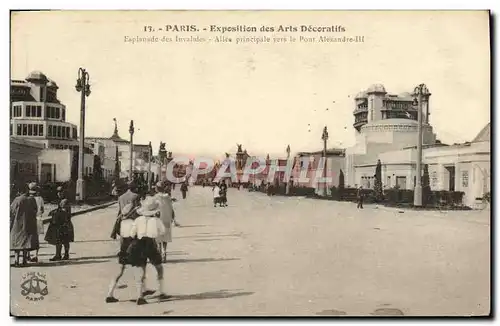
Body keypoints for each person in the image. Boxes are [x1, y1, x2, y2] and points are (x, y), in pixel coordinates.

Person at [105, 198, 170, 305]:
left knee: (129, 270)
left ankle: (112, 293)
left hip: (129, 246)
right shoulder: (153, 220)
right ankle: (159, 291)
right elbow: (162, 232)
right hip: (148, 243)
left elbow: (130, 234)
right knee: (158, 267)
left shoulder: (124, 221)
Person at [10, 183, 39, 266]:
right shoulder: (32, 199)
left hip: (17, 224)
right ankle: (24, 261)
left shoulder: (17, 200)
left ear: (19, 191)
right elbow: (35, 211)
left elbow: (11, 211)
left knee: (17, 243)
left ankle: (16, 261)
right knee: (25, 243)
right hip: (28, 224)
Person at [44, 187, 74, 261]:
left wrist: (54, 212)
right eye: (58, 192)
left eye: (61, 192)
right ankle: (62, 255)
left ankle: (61, 255)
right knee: (63, 240)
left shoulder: (64, 201)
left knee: (61, 240)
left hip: (63, 223)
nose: (59, 193)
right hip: (64, 223)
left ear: (64, 192)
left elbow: (63, 212)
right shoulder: (62, 201)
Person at [154, 181, 177, 262]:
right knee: (165, 238)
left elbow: (152, 208)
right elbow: (171, 209)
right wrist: (173, 219)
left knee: (158, 238)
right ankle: (164, 252)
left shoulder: (156, 197)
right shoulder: (168, 197)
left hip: (158, 220)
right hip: (167, 220)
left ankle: (159, 253)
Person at [32, 185, 45, 262]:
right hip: (38, 219)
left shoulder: (29, 198)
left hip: (31, 219)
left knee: (29, 238)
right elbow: (42, 210)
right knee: (37, 238)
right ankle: (35, 255)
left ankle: (28, 255)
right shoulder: (40, 199)